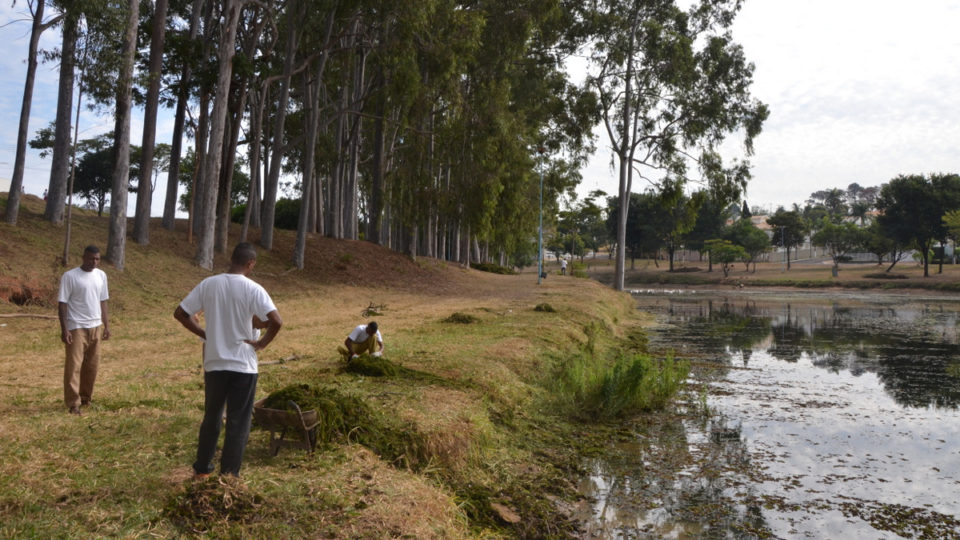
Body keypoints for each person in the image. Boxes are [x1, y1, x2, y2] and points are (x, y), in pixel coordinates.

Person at [174, 242, 282, 479]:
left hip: (215, 363)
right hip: (243, 365)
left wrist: (205, 333)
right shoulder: (254, 289)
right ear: (250, 263)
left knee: (212, 417)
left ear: (232, 259)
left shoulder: (208, 284)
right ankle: (229, 476)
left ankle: (202, 470)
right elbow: (276, 321)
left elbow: (180, 313)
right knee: (238, 422)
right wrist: (262, 344)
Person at [58, 245, 110, 415]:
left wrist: (106, 325)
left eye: (97, 259)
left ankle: (86, 398)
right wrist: (65, 330)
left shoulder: (101, 275)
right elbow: (62, 304)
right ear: (83, 257)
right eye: (90, 258)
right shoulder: (70, 276)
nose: (93, 262)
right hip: (76, 327)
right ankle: (73, 403)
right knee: (74, 366)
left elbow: (103, 301)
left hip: (95, 326)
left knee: (92, 366)